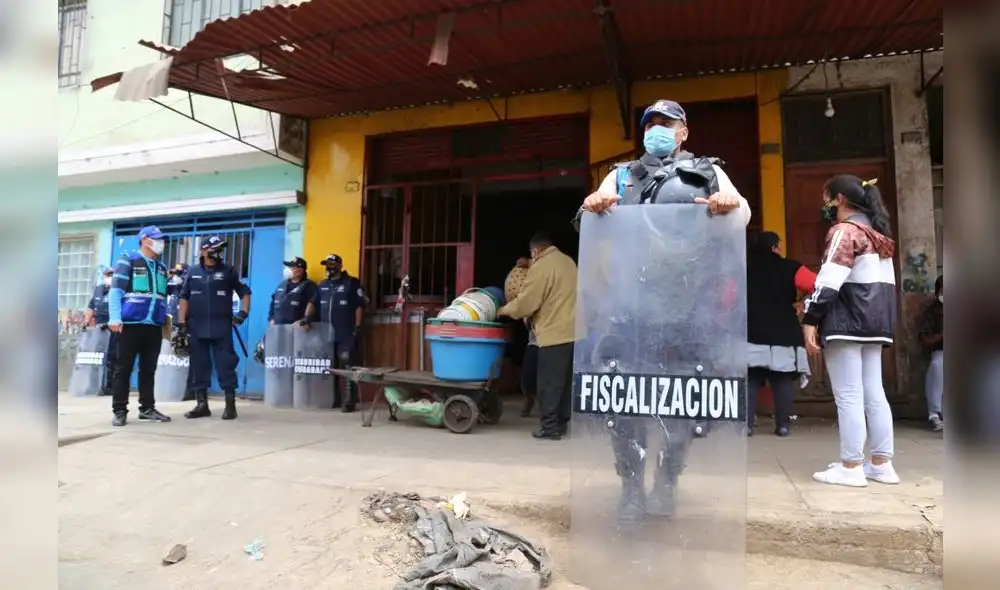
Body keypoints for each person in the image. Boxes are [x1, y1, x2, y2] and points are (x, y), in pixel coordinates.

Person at [579, 99, 750, 525]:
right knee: (624, 402)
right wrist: (595, 204)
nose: (658, 129)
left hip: (689, 310)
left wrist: (727, 203)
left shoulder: (709, 172)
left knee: (682, 404)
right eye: (651, 123)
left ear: (684, 131)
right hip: (630, 308)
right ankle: (632, 490)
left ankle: (667, 484)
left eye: (667, 123)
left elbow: (742, 212)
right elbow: (589, 217)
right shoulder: (620, 175)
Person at [803, 175, 899, 488]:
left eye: (826, 199)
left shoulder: (844, 232)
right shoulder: (878, 234)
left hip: (847, 322)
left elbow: (828, 281)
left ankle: (851, 466)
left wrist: (810, 318)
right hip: (876, 323)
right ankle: (881, 463)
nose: (825, 206)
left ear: (840, 199)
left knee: (848, 396)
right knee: (874, 391)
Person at [498, 232, 578, 441]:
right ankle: (560, 424)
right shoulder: (568, 262)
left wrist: (504, 310)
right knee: (564, 382)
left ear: (535, 250)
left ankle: (550, 428)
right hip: (575, 331)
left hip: (553, 332)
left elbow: (528, 302)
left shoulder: (542, 267)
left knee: (548, 383)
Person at [746, 231, 817, 437]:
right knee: (782, 380)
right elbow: (817, 285)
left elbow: (728, 298)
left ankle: (748, 426)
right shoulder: (791, 267)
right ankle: (783, 425)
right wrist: (802, 303)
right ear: (774, 247)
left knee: (751, 379)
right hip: (784, 333)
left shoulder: (744, 268)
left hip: (752, 332)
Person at [176, 236, 252, 421]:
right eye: (215, 248)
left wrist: (243, 313)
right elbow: (184, 298)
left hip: (222, 327)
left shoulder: (228, 271)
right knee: (199, 366)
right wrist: (181, 325)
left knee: (226, 365)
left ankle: (230, 405)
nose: (218, 252)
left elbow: (245, 292)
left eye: (221, 248)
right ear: (204, 250)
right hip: (196, 327)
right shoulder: (192, 272)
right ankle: (202, 405)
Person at [108, 225, 172, 427]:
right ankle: (119, 410)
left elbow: (162, 296)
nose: (160, 243)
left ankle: (147, 408)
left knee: (148, 369)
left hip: (153, 325)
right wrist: (114, 318)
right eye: (156, 239)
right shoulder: (128, 260)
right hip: (129, 324)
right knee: (123, 369)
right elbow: (116, 291)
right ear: (145, 239)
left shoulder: (161, 268)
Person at [301, 254, 366, 412]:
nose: (328, 268)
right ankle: (333, 399)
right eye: (326, 265)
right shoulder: (323, 285)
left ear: (339, 266)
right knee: (329, 366)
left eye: (331, 265)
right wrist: (307, 318)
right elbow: (313, 303)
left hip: (345, 331)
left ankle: (350, 400)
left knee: (347, 363)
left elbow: (359, 306)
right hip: (326, 333)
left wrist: (357, 327)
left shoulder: (351, 283)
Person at [84, 268, 117, 396]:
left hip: (113, 329)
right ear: (104, 275)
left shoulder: (119, 289)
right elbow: (91, 306)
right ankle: (94, 385)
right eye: (108, 274)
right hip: (99, 330)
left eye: (112, 274)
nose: (110, 277)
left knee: (112, 357)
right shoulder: (99, 289)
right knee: (96, 357)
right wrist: (87, 321)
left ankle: (110, 386)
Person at [919, 274, 944, 432]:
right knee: (937, 366)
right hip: (942, 351)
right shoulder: (932, 311)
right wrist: (942, 335)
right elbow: (924, 340)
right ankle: (934, 415)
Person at [268, 257, 318, 327]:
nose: (288, 270)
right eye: (288, 267)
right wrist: (271, 318)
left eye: (292, 267)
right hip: (279, 328)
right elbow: (273, 303)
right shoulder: (282, 285)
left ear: (300, 270)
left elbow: (314, 307)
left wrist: (304, 320)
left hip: (298, 329)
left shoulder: (310, 286)